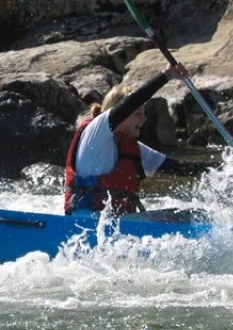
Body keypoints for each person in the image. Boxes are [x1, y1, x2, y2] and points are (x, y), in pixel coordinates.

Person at [64, 63, 216, 216]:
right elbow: (130, 103)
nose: (144, 119)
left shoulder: (132, 148)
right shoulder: (95, 132)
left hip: (117, 226)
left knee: (194, 216)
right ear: (121, 113)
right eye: (138, 114)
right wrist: (166, 76)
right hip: (82, 225)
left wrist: (229, 166)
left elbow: (176, 167)